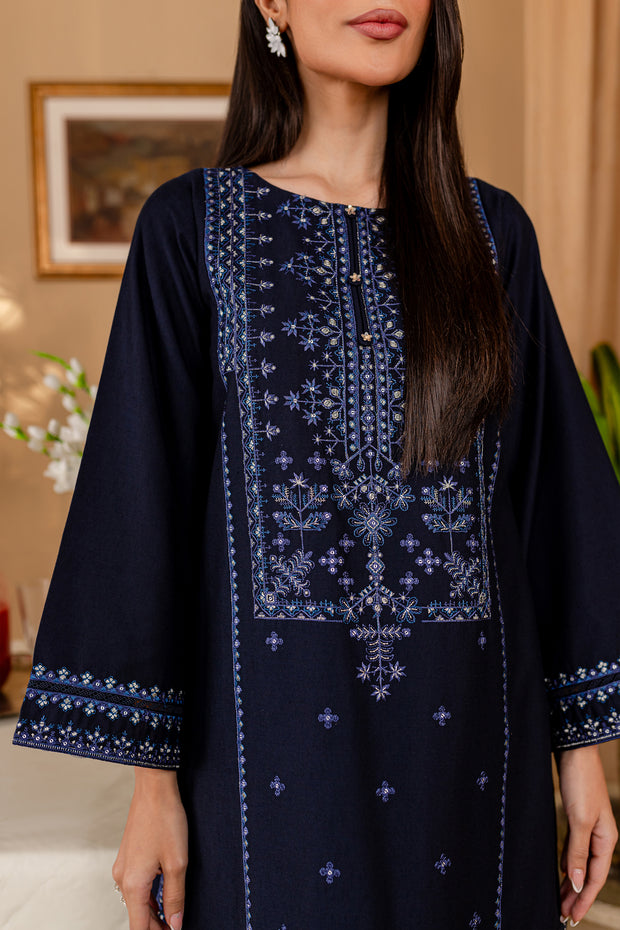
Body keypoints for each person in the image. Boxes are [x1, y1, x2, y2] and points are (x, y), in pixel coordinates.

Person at [11, 1, 620, 927]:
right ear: (273, 5)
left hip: (473, 759)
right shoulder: (191, 229)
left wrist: (582, 758)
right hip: (266, 760)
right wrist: (153, 790)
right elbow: (144, 510)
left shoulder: (492, 233)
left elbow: (552, 500)